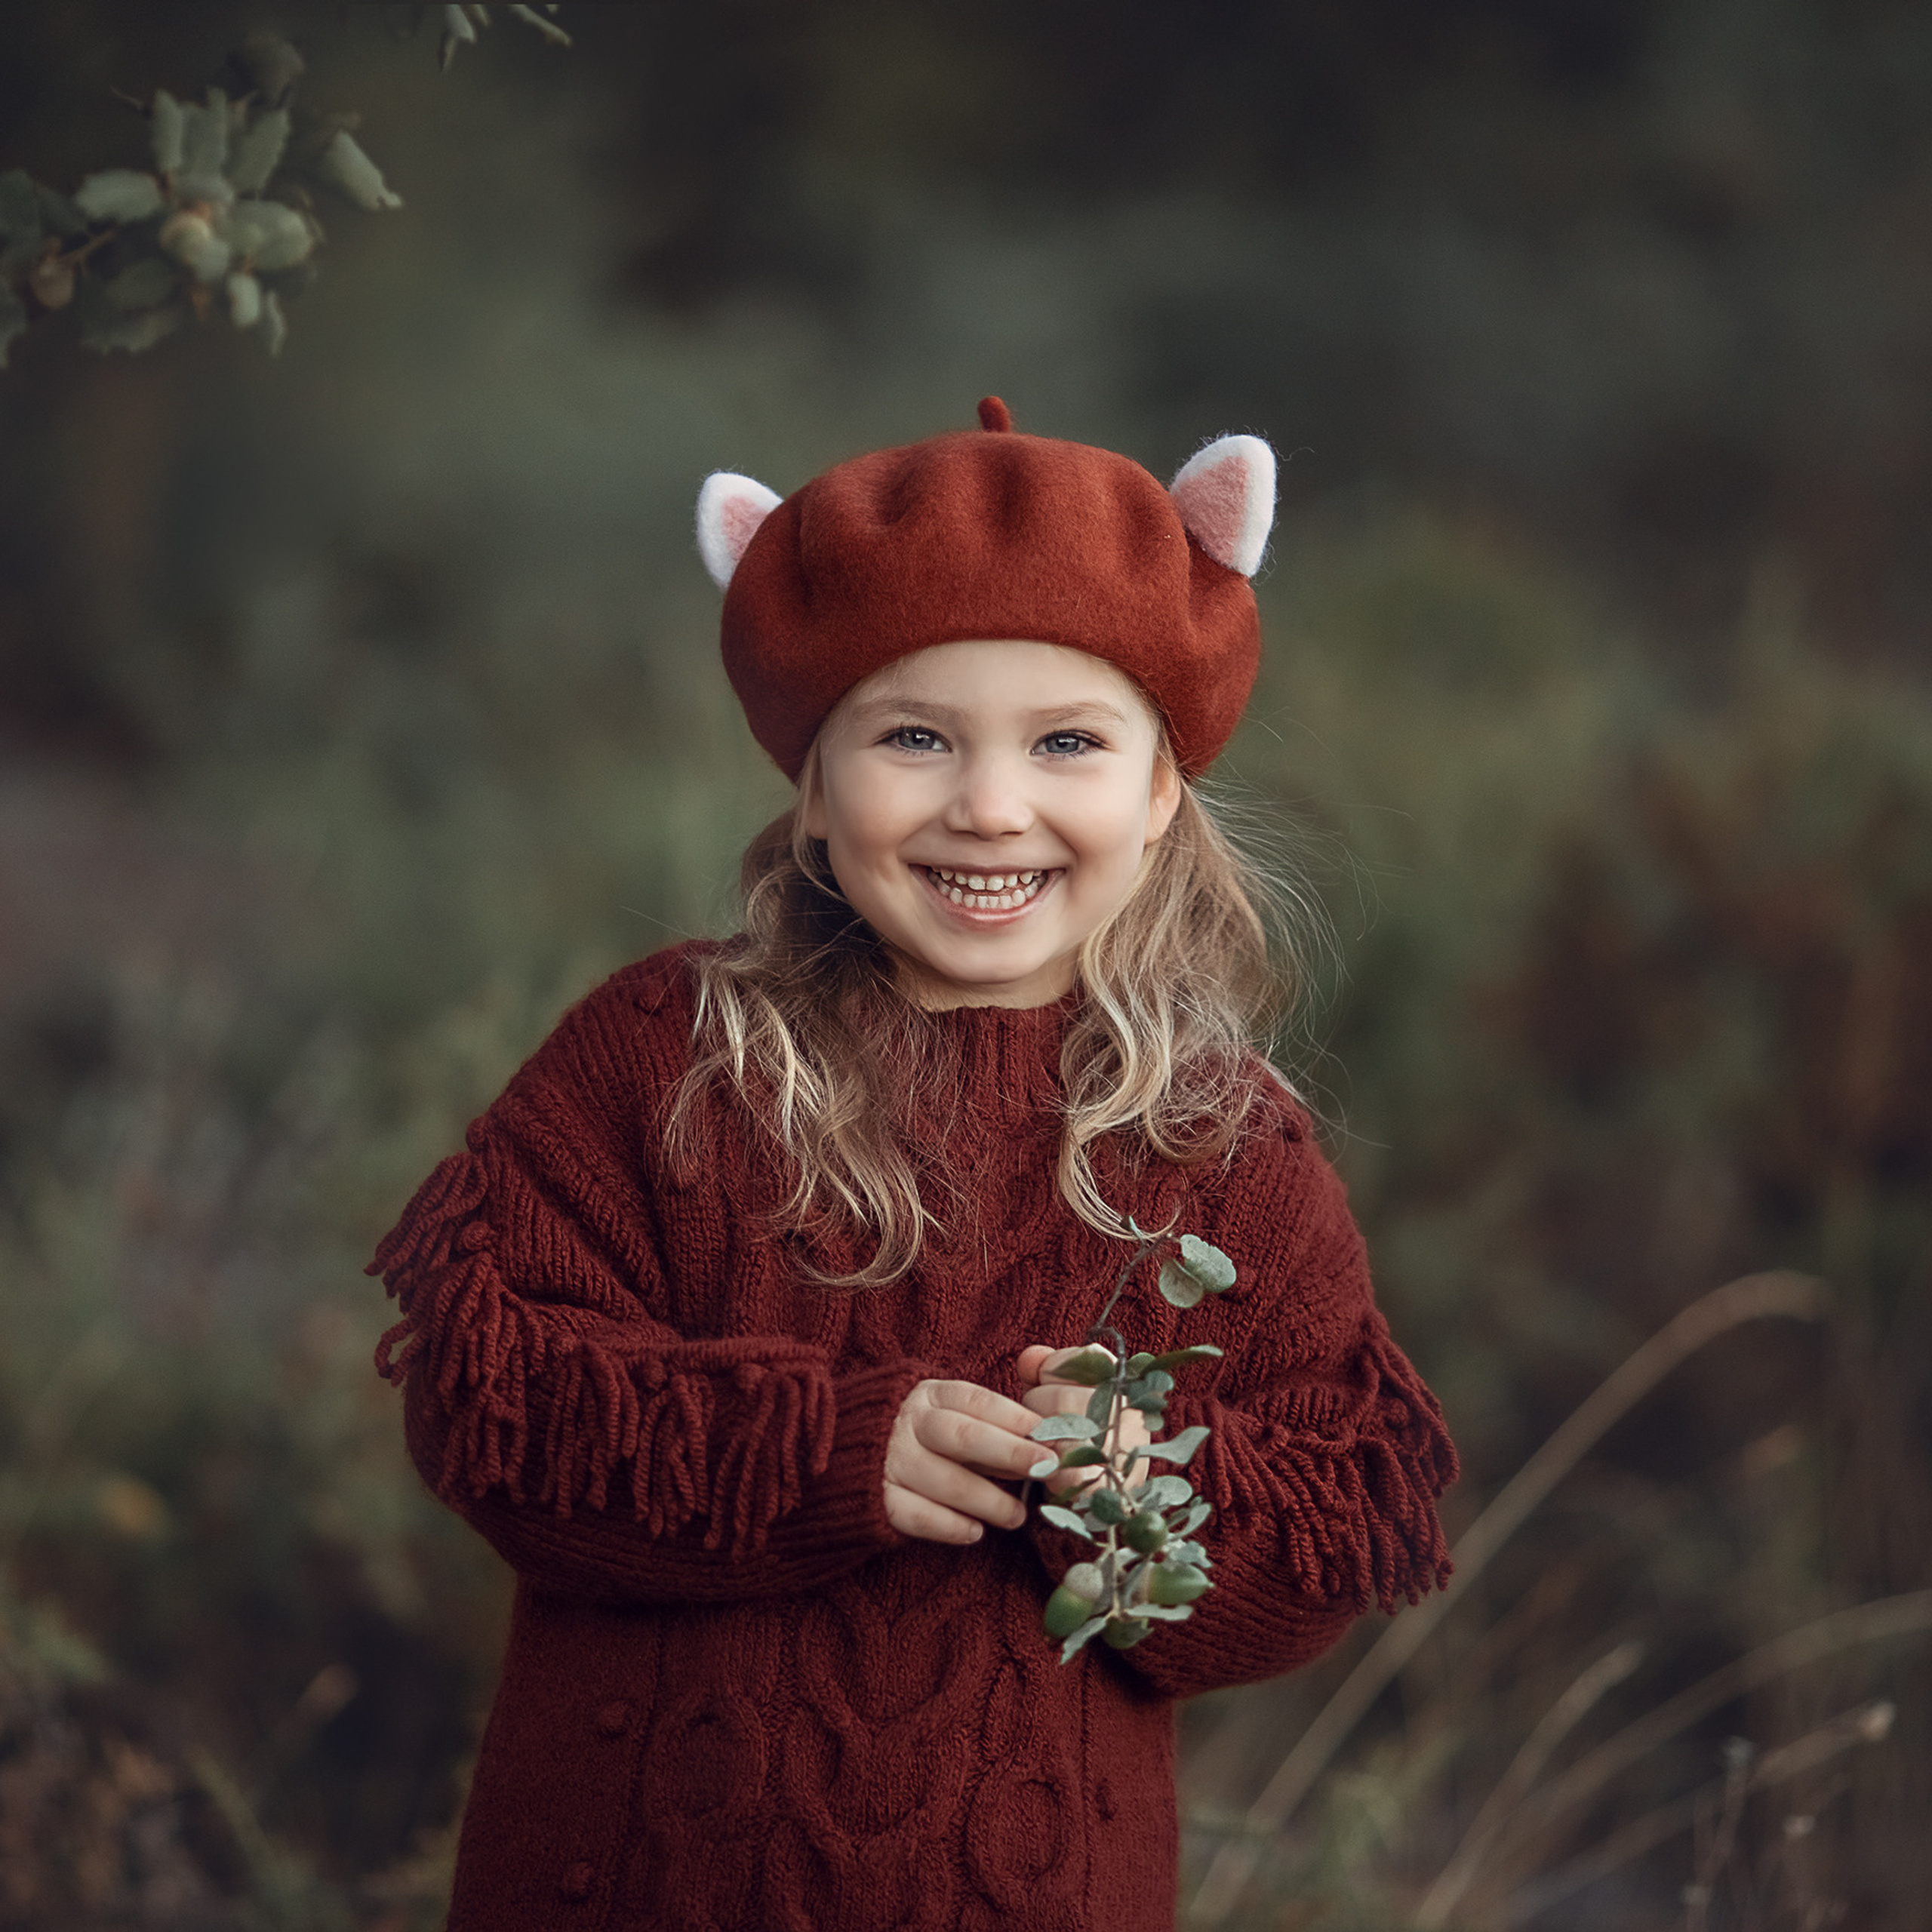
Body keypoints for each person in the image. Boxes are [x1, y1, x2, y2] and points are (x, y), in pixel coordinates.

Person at [369, 397, 1458, 1932]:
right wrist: (814, 1449)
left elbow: (1334, 1525)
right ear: (813, 783)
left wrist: (1139, 1496)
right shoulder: (665, 1060)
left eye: (1066, 741)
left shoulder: (1221, 1147)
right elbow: (491, 1403)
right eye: (914, 736)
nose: (989, 803)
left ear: (1158, 791)